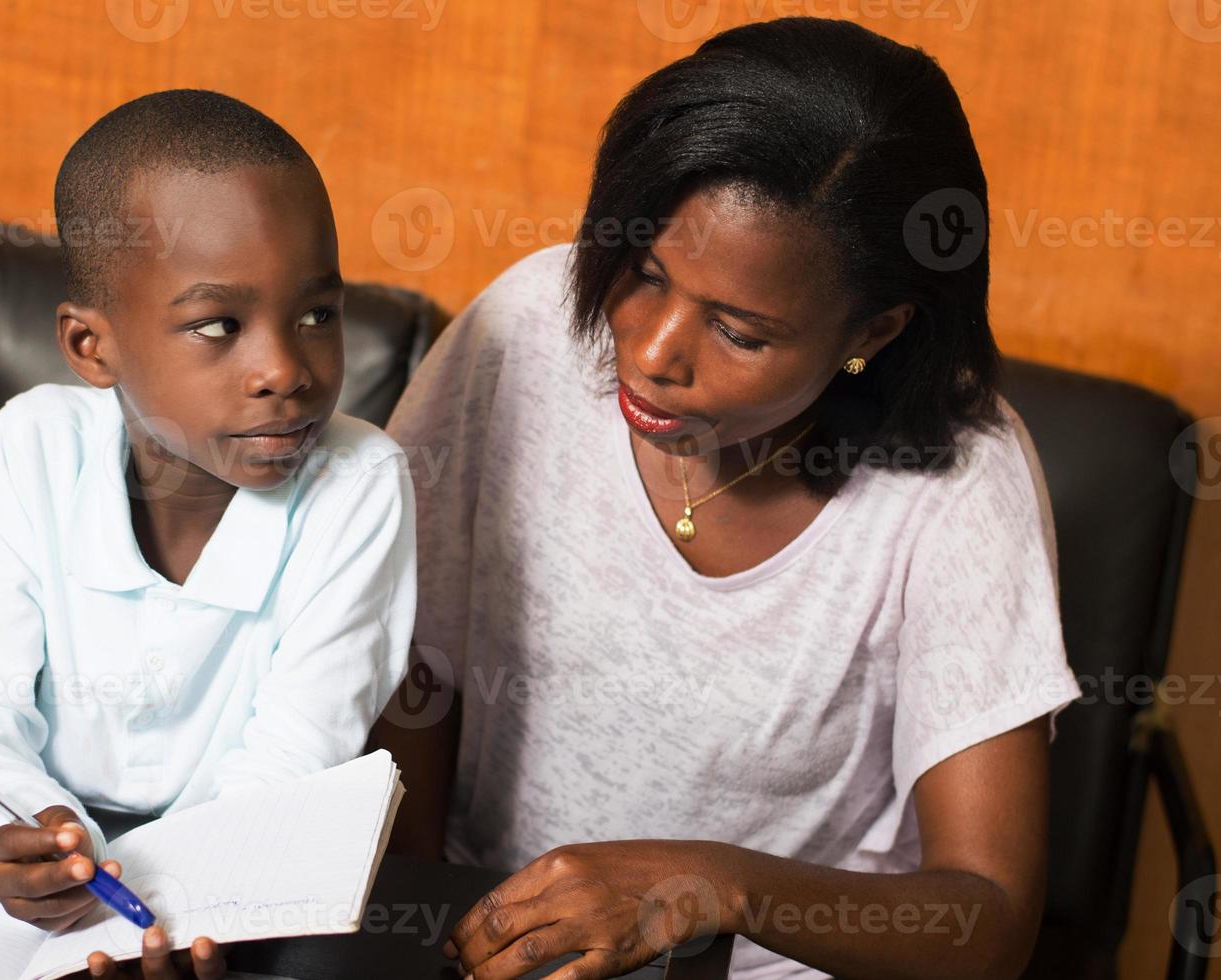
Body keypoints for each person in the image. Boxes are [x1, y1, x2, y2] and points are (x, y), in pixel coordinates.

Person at [378, 18, 1082, 980]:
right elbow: (415, 677)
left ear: (870, 329)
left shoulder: (959, 481)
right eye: (644, 273)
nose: (654, 351)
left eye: (740, 333)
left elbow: (990, 918)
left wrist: (715, 889)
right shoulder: (528, 331)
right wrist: (425, 929)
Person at [0, 89, 416, 978]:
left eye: (317, 315)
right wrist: (24, 830)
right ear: (91, 347)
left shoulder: (359, 483)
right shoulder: (35, 447)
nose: (285, 371)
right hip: (59, 889)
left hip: (244, 893)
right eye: (219, 325)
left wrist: (170, 906)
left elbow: (291, 766)